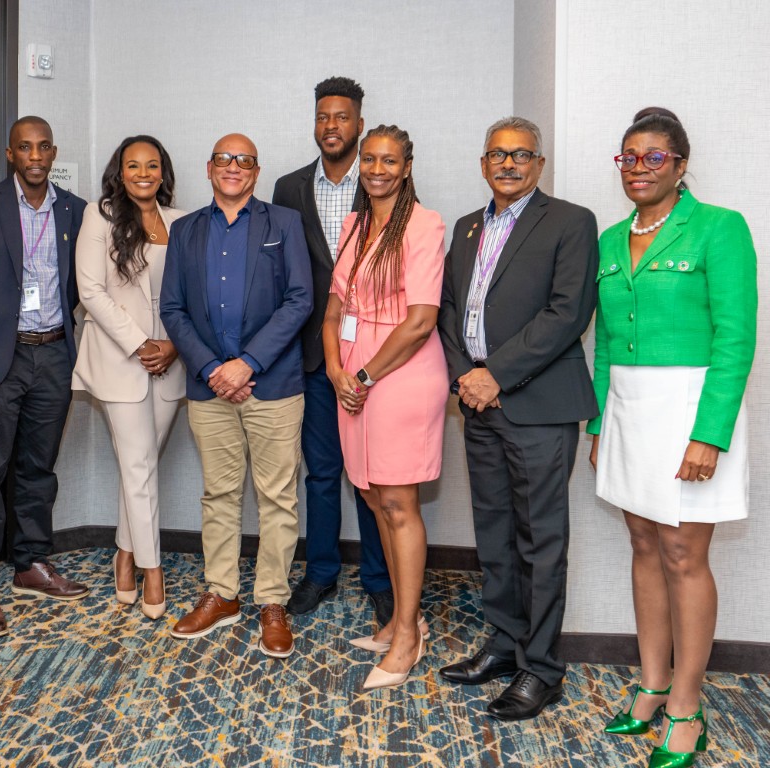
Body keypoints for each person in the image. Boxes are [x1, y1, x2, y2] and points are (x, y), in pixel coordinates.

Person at [589, 108, 756, 767]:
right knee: (642, 543)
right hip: (628, 410)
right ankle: (653, 683)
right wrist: (600, 423)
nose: (639, 168)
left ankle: (687, 705)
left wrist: (710, 435)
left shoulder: (719, 227)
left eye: (654, 157)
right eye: (629, 157)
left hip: (690, 410)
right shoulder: (610, 240)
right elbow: (606, 343)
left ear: (681, 165)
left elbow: (735, 338)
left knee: (684, 553)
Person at [436, 116, 598, 720]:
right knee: (495, 534)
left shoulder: (571, 221)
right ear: (483, 164)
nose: (508, 163)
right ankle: (505, 645)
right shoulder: (467, 227)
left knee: (540, 540)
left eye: (521, 154)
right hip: (478, 403)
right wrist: (466, 377)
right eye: (498, 154)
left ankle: (541, 668)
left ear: (539, 164)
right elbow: (450, 311)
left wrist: (495, 375)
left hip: (536, 405)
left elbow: (567, 312)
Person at [160, 133, 312, 658]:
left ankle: (272, 600)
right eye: (224, 159)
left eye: (244, 160)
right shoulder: (184, 230)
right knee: (219, 494)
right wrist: (211, 369)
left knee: (277, 498)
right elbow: (173, 308)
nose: (233, 167)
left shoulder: (284, 224)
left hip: (273, 385)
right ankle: (222, 593)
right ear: (209, 168)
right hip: (210, 391)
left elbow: (300, 300)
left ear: (256, 171)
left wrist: (247, 363)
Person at [0, 116, 89, 639]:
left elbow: (83, 285)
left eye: (43, 147)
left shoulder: (74, 210)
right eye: (24, 148)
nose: (35, 156)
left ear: (53, 152)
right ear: (10, 154)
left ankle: (31, 562)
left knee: (38, 469)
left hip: (53, 356)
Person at [323, 125, 447, 689]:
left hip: (400, 375)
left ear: (407, 166)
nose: (377, 169)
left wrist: (365, 374)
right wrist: (335, 369)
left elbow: (421, 322)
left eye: (389, 160)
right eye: (369, 159)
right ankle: (402, 619)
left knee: (398, 503)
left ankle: (407, 638)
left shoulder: (424, 224)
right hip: (352, 377)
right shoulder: (354, 224)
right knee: (374, 498)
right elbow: (334, 309)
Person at [271, 77, 393, 625]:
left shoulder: (383, 181)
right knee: (320, 472)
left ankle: (379, 578)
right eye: (323, 117)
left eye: (342, 117)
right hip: (311, 356)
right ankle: (320, 572)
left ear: (359, 124)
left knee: (370, 475)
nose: (331, 126)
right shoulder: (288, 188)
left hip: (371, 359)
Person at [72, 136, 186, 620]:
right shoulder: (99, 216)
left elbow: (192, 293)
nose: (143, 173)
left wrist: (173, 346)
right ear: (120, 172)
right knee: (138, 466)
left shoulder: (180, 222)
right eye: (133, 165)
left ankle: (124, 551)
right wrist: (141, 344)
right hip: (122, 360)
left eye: (152, 165)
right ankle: (151, 569)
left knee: (142, 465)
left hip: (171, 361)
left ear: (163, 172)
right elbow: (91, 292)